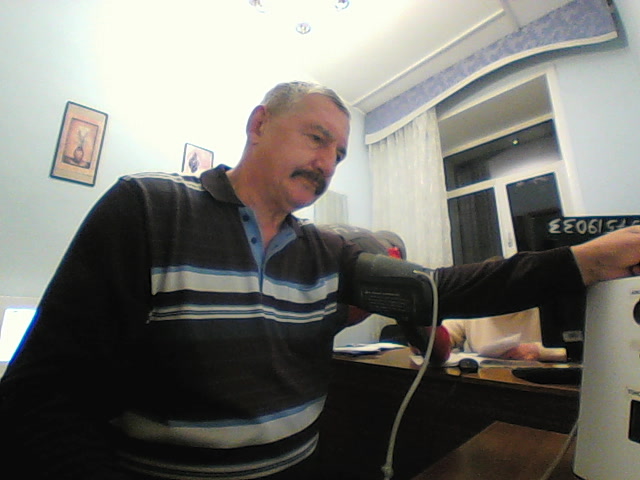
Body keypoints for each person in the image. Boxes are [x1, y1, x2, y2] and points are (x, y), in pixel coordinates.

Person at [1, 80, 640, 480]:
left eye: (338, 152)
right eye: (317, 138)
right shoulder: (148, 208)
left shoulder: (327, 251)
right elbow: (43, 401)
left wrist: (583, 262)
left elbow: (440, 287)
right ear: (259, 125)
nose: (328, 162)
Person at [441, 308, 567, 362]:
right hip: (483, 381)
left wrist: (539, 351)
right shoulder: (473, 305)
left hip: (535, 384)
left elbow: (574, 350)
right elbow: (445, 334)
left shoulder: (547, 307)